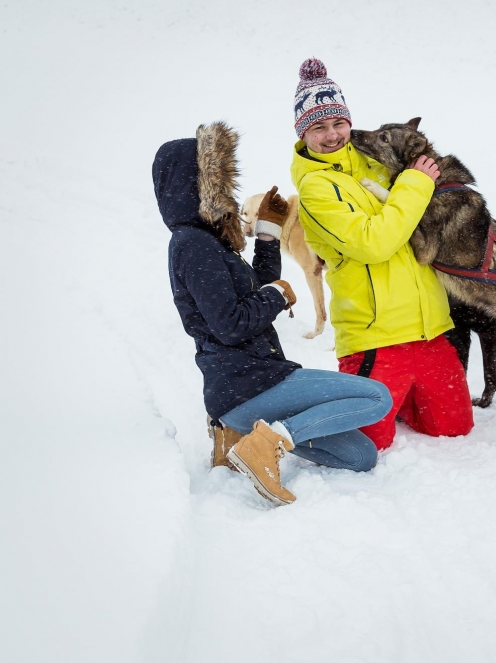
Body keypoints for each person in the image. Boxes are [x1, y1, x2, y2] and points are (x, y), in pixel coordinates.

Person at [153, 121, 393, 506]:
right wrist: (277, 297)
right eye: (213, 176)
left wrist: (267, 234)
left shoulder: (207, 242)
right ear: (192, 183)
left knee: (360, 457)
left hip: (248, 386)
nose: (224, 189)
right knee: (377, 397)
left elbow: (255, 285)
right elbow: (231, 324)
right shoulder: (193, 245)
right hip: (250, 382)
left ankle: (246, 436)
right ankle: (268, 444)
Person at [289, 58, 474, 450]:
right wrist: (416, 184)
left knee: (454, 429)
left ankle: (405, 396)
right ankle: (304, 417)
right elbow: (375, 243)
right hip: (376, 338)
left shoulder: (376, 161)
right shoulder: (315, 190)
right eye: (318, 127)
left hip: (430, 330)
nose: (333, 135)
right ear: (303, 133)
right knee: (369, 442)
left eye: (338, 123)